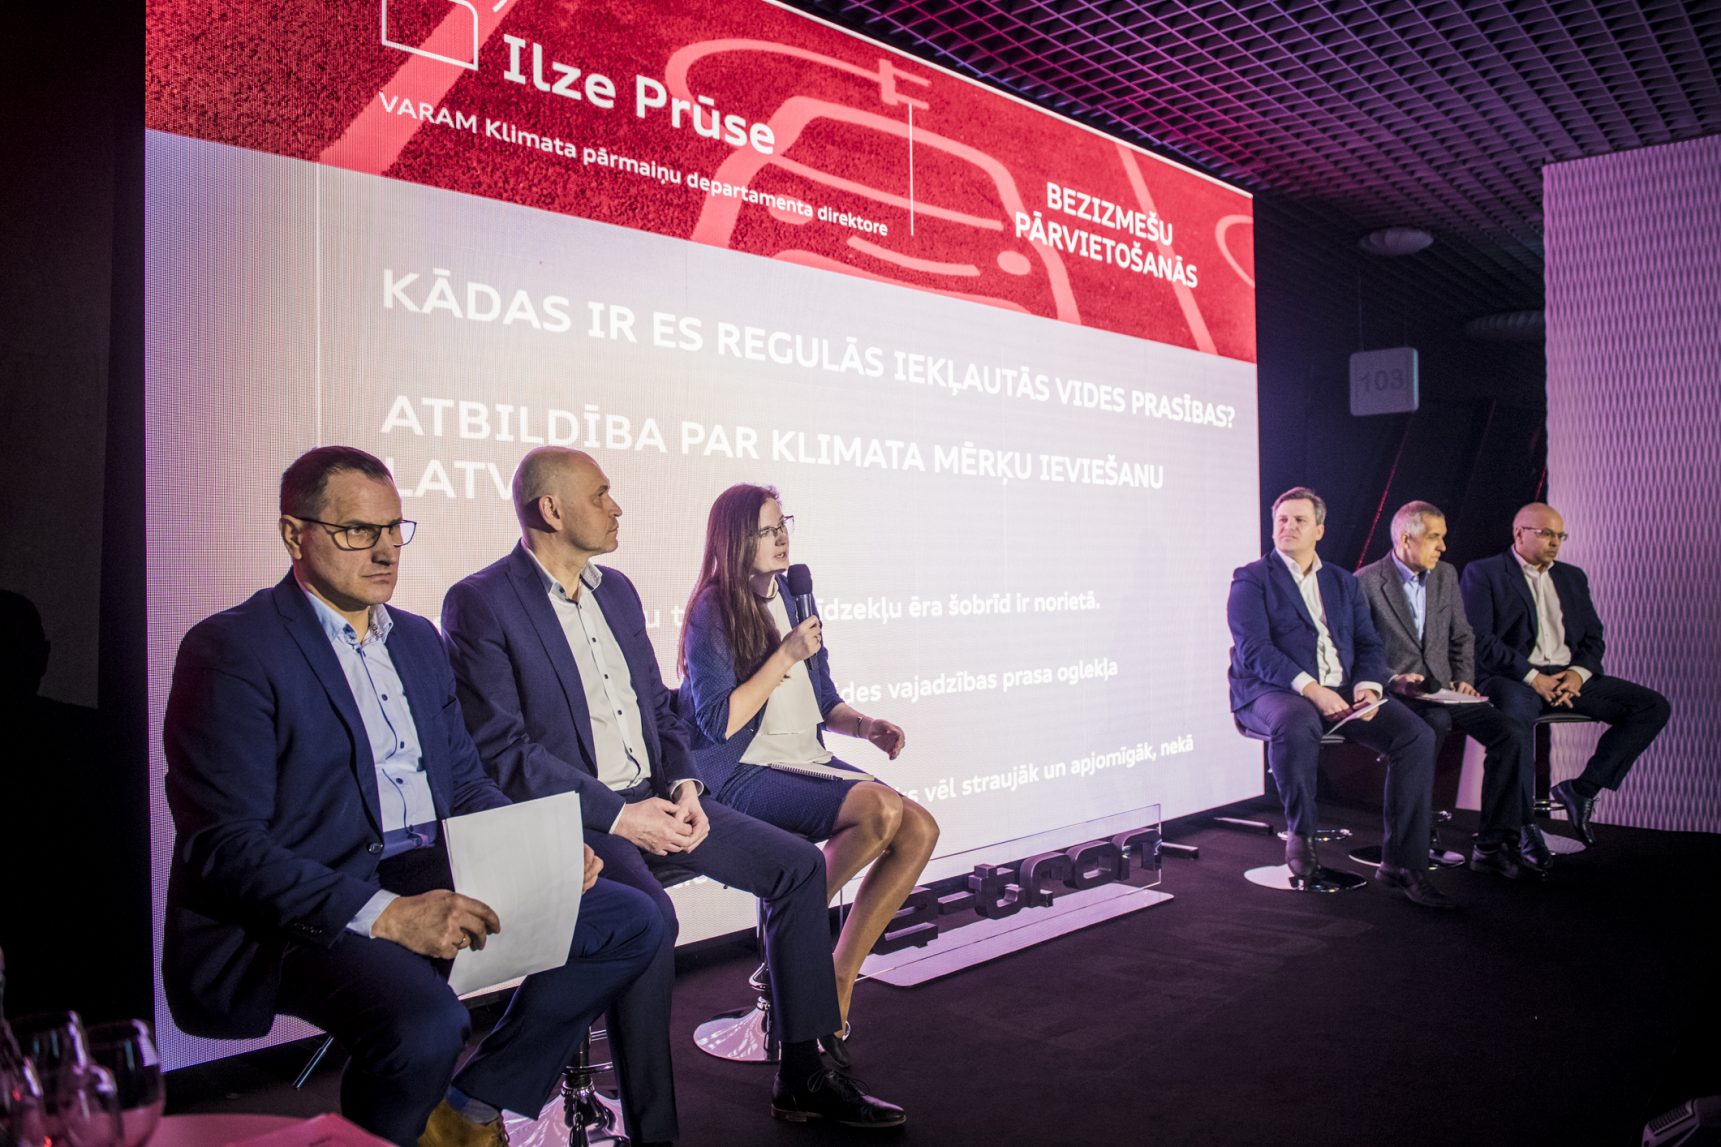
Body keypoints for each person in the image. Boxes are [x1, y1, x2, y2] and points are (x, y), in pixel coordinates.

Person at [161, 446, 666, 1147]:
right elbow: (227, 847)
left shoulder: (418, 640)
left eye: (395, 529)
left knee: (631, 919)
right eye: (357, 531)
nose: (384, 550)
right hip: (306, 904)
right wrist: (389, 915)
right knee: (426, 1025)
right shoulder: (232, 649)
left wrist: (541, 850)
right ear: (293, 534)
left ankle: (469, 1107)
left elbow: (465, 783)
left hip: (422, 865)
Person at [440, 447, 905, 1133]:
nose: (617, 507)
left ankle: (804, 1074)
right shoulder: (483, 601)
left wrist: (687, 782)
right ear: (552, 510)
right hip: (581, 818)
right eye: (601, 495)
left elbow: (659, 709)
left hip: (659, 796)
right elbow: (506, 752)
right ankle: (652, 1128)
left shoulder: (617, 591)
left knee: (798, 866)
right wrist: (622, 817)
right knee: (650, 921)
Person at [676, 484, 939, 1066]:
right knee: (880, 810)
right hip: (742, 771)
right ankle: (792, 941)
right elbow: (718, 723)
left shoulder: (797, 596)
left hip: (805, 760)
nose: (781, 539)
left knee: (920, 828)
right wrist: (785, 654)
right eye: (767, 530)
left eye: (783, 525)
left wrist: (865, 727)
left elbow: (823, 699)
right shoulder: (712, 610)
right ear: (735, 539)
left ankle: (836, 976)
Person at [1226, 487, 1451, 908]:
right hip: (1272, 690)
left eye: (1299, 520)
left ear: (1320, 530)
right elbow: (1254, 650)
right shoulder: (1251, 578)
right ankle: (1301, 836)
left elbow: (1368, 643)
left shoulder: (1342, 581)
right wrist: (1312, 689)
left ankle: (1403, 863)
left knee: (1416, 735)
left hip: (1346, 690)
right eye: (1281, 520)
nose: (1288, 527)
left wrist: (1368, 686)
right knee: (1296, 721)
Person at [1459, 502, 1671, 845]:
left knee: (1651, 706)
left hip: (1565, 677)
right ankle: (1520, 827)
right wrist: (1533, 678)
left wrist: (1577, 675)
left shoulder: (1572, 576)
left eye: (1560, 535)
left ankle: (1581, 789)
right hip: (1512, 677)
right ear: (1519, 534)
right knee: (1513, 728)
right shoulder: (1484, 572)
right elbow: (1480, 639)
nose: (1555, 542)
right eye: (1546, 534)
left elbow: (1593, 638)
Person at [1357, 502, 1549, 879]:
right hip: (1398, 693)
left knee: (1510, 733)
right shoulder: (1364, 581)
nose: (1443, 547)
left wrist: (1464, 678)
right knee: (1434, 723)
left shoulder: (1445, 574)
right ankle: (1412, 843)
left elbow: (1462, 636)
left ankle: (1492, 845)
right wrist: (1394, 678)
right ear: (1405, 539)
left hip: (1445, 688)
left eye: (1443, 537)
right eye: (1435, 538)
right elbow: (1358, 648)